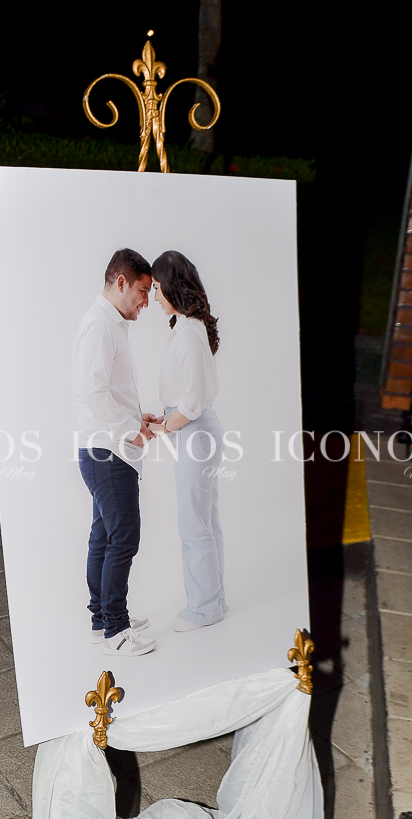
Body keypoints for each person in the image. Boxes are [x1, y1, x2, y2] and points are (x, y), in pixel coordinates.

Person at [72, 249, 158, 657]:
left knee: (105, 535)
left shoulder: (109, 324)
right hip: (108, 453)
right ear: (121, 282)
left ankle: (101, 620)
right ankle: (115, 630)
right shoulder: (100, 325)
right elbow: (93, 393)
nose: (146, 301)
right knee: (123, 536)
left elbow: (109, 391)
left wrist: (135, 418)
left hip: (107, 447)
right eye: (142, 291)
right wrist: (131, 430)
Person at [149, 250, 227, 632]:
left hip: (194, 432)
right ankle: (213, 601)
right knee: (204, 522)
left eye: (157, 288)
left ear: (172, 286)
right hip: (192, 431)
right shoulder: (186, 327)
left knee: (194, 525)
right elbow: (185, 396)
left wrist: (163, 427)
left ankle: (204, 608)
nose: (154, 297)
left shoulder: (191, 331)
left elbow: (193, 403)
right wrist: (164, 419)